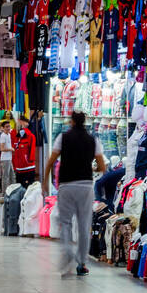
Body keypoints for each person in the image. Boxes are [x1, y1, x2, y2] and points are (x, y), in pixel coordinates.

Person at [43, 110, 108, 278]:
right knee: (84, 224)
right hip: (85, 186)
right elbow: (102, 167)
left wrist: (45, 181)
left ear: (71, 122)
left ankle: (67, 253)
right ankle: (82, 263)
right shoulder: (93, 140)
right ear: (84, 122)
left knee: (65, 222)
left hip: (66, 185)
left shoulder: (62, 138)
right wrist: (90, 167)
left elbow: (51, 162)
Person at [11, 114, 38, 187]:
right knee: (19, 188)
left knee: (29, 187)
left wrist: (30, 160)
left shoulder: (31, 136)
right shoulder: (16, 137)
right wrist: (15, 165)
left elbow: (32, 151)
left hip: (28, 167)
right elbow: (15, 152)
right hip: (19, 168)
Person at [0, 118, 15, 194]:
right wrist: (10, 149)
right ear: (3, 128)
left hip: (9, 158)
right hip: (5, 159)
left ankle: (13, 191)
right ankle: (5, 192)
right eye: (6, 127)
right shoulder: (3, 136)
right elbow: (2, 148)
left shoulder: (9, 135)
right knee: (5, 176)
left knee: (12, 175)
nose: (8, 128)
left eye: (9, 126)